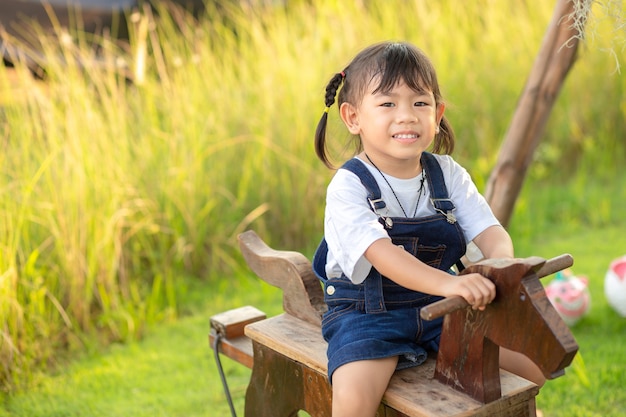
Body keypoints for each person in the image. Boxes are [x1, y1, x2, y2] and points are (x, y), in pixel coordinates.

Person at [312, 41, 545, 417]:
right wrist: (452, 283)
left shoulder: (447, 174)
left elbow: (490, 233)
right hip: (370, 315)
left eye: (419, 103)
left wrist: (499, 267)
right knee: (353, 403)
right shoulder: (349, 185)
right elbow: (383, 255)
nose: (406, 116)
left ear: (437, 114)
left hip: (444, 308)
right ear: (353, 117)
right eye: (387, 104)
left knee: (531, 367)